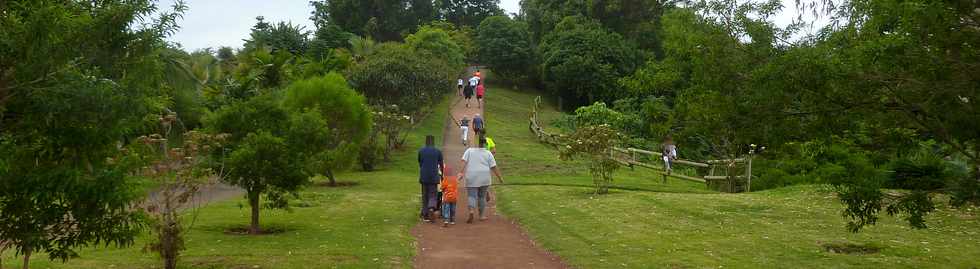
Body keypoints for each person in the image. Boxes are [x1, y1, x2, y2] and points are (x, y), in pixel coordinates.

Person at [459, 137, 504, 223]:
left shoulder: (469, 151)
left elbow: (463, 162)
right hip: (484, 176)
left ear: (476, 143)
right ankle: (481, 215)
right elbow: (494, 167)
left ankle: (471, 211)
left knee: (471, 195)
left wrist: (460, 173)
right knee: (482, 196)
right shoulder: (488, 153)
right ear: (485, 144)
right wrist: (500, 178)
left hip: (472, 175)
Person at [418, 135, 443, 223]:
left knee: (425, 195)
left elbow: (420, 162)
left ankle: (425, 215)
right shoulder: (438, 151)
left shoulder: (421, 151)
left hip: (424, 176)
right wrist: (442, 175)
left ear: (426, 141)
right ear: (433, 142)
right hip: (434, 176)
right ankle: (431, 207)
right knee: (433, 194)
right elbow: (441, 164)